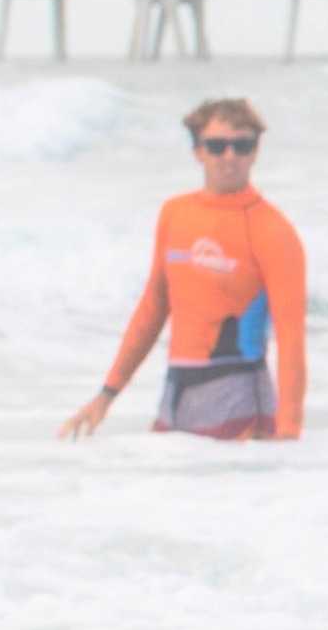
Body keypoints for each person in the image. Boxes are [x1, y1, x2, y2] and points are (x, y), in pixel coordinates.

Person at [61, 97, 308, 442]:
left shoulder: (272, 230)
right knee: (162, 494)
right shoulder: (175, 214)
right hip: (176, 396)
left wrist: (289, 430)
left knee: (235, 498)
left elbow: (291, 338)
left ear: (255, 151)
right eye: (217, 145)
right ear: (198, 151)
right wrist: (107, 393)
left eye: (242, 145)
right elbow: (152, 309)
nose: (230, 157)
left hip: (239, 399)